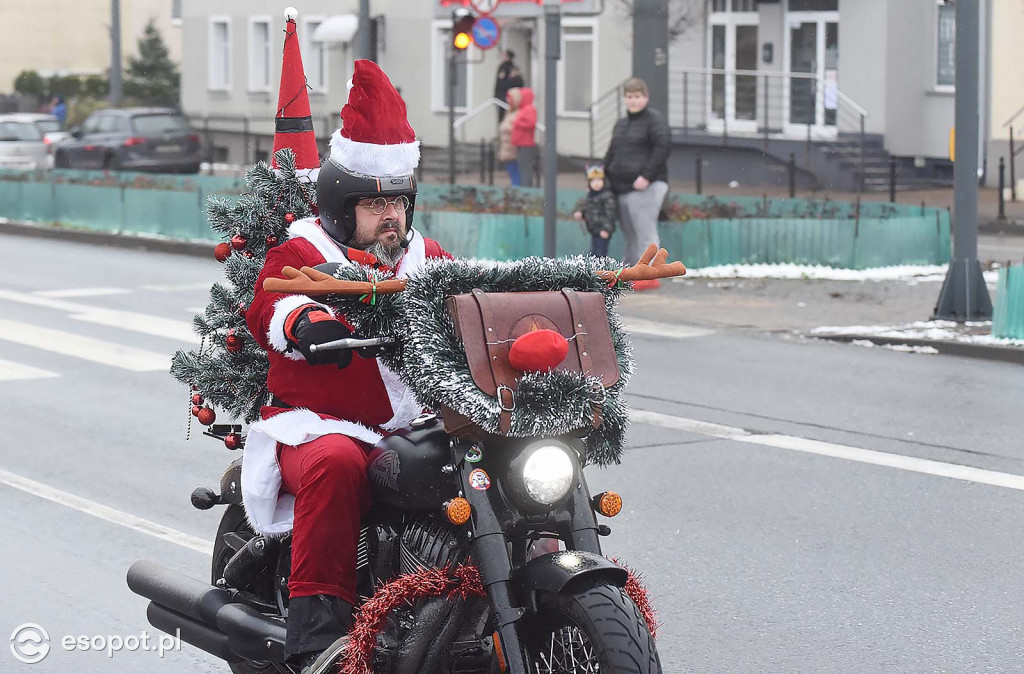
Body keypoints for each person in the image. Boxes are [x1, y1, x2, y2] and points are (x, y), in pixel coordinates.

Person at [244, 59, 452, 674]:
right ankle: (318, 636)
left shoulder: (426, 254)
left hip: (413, 422)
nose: (392, 217)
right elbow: (274, 298)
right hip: (316, 421)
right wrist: (304, 320)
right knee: (336, 464)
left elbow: (467, 301)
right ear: (341, 206)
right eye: (374, 205)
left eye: (399, 205)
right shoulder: (304, 246)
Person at [603, 77, 670, 286]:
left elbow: (663, 147)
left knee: (644, 230)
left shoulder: (654, 121)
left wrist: (647, 176)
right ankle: (631, 274)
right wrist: (602, 174)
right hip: (621, 187)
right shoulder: (621, 124)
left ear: (646, 97)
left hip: (646, 186)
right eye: (629, 97)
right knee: (630, 233)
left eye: (637, 96)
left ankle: (649, 275)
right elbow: (612, 152)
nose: (633, 101)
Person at [573, 164, 618, 257]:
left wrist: (606, 229)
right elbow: (591, 210)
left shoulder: (607, 196)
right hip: (595, 230)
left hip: (602, 230)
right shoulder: (592, 196)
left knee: (600, 254)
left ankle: (601, 271)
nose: (596, 183)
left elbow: (610, 214)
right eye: (593, 181)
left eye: (599, 180)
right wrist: (582, 213)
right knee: (594, 253)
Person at [509, 86, 537, 187]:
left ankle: (527, 186)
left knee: (525, 168)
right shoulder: (523, 109)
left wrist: (518, 123)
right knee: (521, 167)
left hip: (526, 144)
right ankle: (523, 185)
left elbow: (531, 124)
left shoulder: (529, 109)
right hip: (520, 143)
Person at [498, 88, 520, 186]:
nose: (508, 101)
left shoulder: (517, 113)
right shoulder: (510, 112)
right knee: (511, 169)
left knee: (515, 170)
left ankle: (516, 187)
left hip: (512, 146)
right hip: (507, 144)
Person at [493, 50, 522, 123]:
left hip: (508, 96)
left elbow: (518, 83)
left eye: (504, 55)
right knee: (502, 117)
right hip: (502, 96)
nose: (502, 57)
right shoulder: (503, 67)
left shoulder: (510, 68)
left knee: (509, 116)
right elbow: (499, 82)